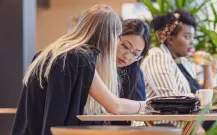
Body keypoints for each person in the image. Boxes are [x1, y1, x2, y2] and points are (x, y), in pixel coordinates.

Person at [12, 5, 146, 135]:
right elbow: (115, 106)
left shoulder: (48, 53)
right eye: (118, 38)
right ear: (110, 36)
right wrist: (147, 105)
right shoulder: (81, 59)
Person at [140, 9, 214, 134]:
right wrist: (196, 126)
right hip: (165, 125)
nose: (192, 42)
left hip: (188, 123)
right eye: (187, 37)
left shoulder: (184, 62)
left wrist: (208, 66)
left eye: (193, 37)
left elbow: (205, 96)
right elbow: (172, 101)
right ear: (170, 39)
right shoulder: (158, 58)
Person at [112, 19, 150, 125]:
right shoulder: (94, 63)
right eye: (125, 46)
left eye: (135, 54)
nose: (127, 56)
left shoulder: (135, 72)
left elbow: (140, 113)